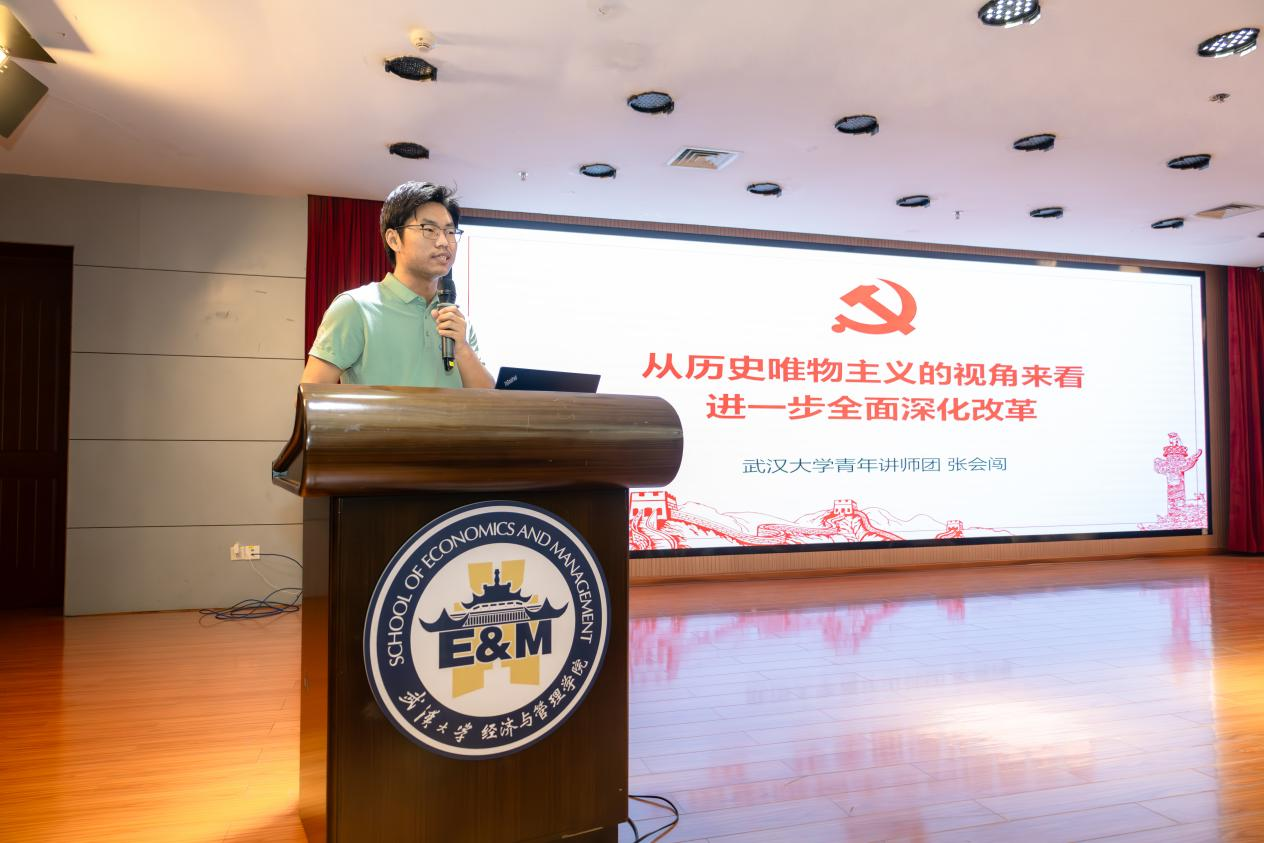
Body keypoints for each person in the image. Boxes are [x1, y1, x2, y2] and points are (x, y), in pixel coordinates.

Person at [301, 181, 495, 388]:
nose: (444, 242)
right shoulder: (355, 307)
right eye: (429, 229)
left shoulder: (456, 321)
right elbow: (311, 396)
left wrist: (462, 348)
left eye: (450, 231)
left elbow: (488, 400)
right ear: (394, 240)